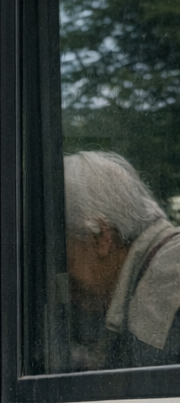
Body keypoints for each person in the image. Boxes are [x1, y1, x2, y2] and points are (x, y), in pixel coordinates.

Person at [62, 150, 180, 370]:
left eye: (60, 254)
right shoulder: (146, 275)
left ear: (100, 238)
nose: (58, 277)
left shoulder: (162, 293)